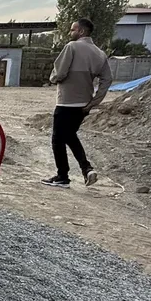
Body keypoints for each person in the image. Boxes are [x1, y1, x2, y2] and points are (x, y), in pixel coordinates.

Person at [43, 18, 112, 187]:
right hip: (83, 105)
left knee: (58, 139)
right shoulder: (100, 54)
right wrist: (94, 102)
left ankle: (63, 177)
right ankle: (86, 169)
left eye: (73, 30)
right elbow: (107, 80)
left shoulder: (71, 47)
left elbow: (60, 72)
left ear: (81, 31)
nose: (70, 33)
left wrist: (53, 79)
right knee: (69, 135)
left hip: (66, 102)